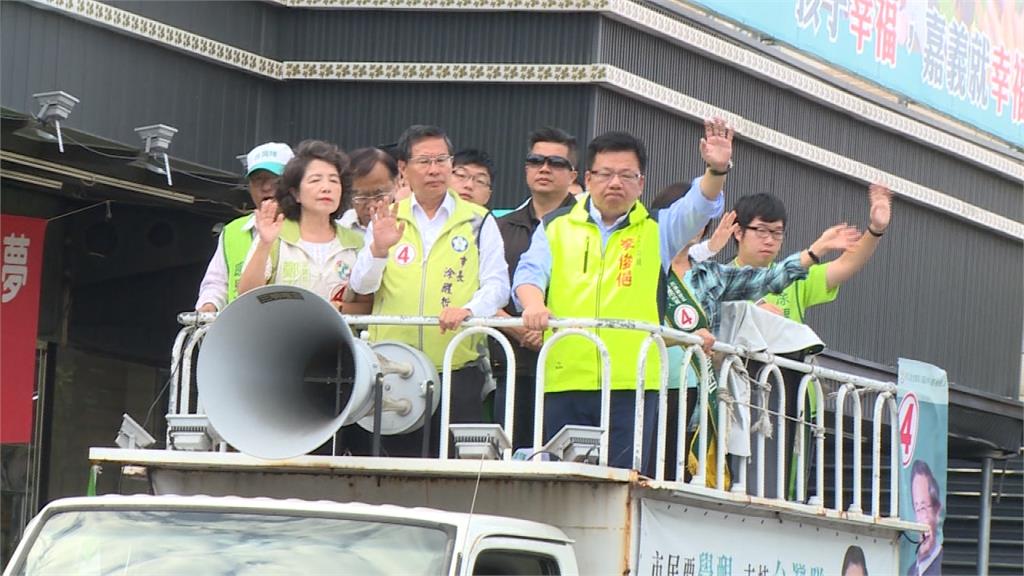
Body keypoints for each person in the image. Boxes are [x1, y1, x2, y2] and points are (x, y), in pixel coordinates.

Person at [513, 119, 732, 471]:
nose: (615, 183)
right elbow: (529, 273)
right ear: (587, 178)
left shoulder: (659, 229)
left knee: (619, 484)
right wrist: (534, 303)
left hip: (631, 383)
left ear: (640, 183)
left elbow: (699, 205)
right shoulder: (556, 225)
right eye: (605, 173)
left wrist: (716, 168)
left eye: (627, 175)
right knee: (556, 479)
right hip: (564, 377)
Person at [650, 185, 860, 480]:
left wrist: (815, 252)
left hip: (699, 402)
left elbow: (769, 279)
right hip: (648, 389)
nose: (690, 228)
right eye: (681, 219)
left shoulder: (710, 275)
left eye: (697, 222)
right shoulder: (645, 270)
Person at [705, 184, 893, 500]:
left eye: (777, 233)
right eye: (760, 231)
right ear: (737, 232)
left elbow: (845, 265)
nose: (769, 240)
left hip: (789, 401)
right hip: (735, 401)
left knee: (783, 490)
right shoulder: (720, 275)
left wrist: (875, 230)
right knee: (734, 486)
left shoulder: (792, 279)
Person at [348, 125, 509, 455]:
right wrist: (378, 249)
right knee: (393, 469)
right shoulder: (388, 217)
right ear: (404, 169)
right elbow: (361, 284)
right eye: (424, 161)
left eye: (441, 160)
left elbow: (497, 285)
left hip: (457, 368)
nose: (434, 169)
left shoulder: (478, 220)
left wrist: (469, 311)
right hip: (394, 368)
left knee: (454, 471)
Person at [492, 127, 579, 449]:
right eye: (536, 160)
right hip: (512, 365)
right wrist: (521, 329)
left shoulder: (588, 228)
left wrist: (549, 333)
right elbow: (482, 292)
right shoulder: (498, 228)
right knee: (507, 460)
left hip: (571, 370)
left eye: (555, 162)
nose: (544, 168)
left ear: (573, 174)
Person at [236, 140, 365, 311]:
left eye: (334, 181)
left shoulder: (356, 243)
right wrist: (264, 244)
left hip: (337, 337)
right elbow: (247, 295)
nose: (326, 188)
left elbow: (368, 304)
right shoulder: (275, 237)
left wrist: (336, 308)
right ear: (295, 193)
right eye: (315, 180)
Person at [195, 142, 294, 312]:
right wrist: (208, 305)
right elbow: (216, 284)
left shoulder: (310, 226)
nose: (266, 187)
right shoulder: (232, 231)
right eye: (257, 180)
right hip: (242, 331)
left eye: (276, 180)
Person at [339, 148, 398, 235]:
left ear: (396, 183)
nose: (372, 207)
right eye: (362, 197)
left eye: (379, 195)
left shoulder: (413, 224)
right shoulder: (339, 230)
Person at [908, 460, 944, 576]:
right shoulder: (911, 570)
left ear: (937, 510)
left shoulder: (939, 565)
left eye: (924, 508)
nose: (920, 520)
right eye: (917, 509)